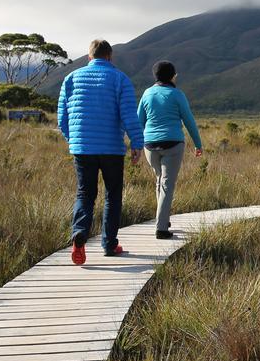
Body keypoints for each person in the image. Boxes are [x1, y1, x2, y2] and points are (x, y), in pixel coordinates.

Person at [57, 39, 143, 265]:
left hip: (82, 148)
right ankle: (109, 244)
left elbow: (62, 117)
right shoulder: (119, 79)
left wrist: (73, 140)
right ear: (110, 57)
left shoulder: (71, 78)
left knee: (85, 193)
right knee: (112, 195)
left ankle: (80, 234)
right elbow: (128, 115)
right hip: (112, 148)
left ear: (89, 57)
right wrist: (137, 143)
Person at [137, 60, 203, 240]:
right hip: (173, 143)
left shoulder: (147, 93)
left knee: (160, 181)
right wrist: (198, 144)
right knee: (167, 184)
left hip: (150, 144)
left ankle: (163, 220)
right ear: (173, 76)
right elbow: (189, 121)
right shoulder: (177, 94)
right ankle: (161, 228)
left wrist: (135, 144)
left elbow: (139, 121)